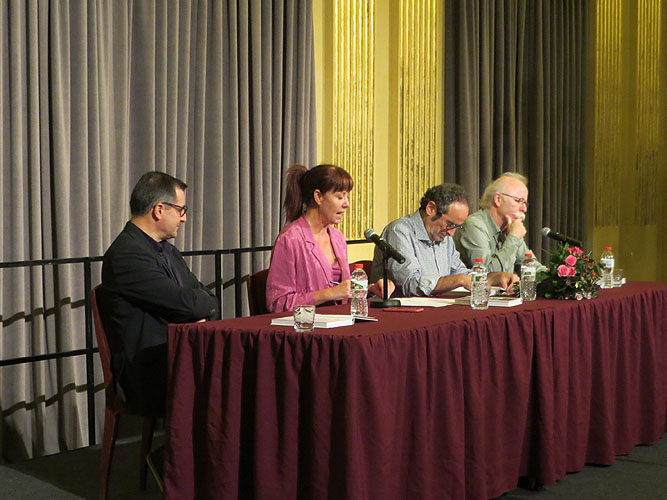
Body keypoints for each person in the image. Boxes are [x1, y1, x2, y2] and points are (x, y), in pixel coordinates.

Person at [102, 171, 219, 415]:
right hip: (149, 368)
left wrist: (199, 307)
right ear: (159, 210)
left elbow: (204, 297)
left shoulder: (167, 251)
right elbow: (187, 304)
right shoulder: (127, 255)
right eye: (181, 210)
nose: (184, 219)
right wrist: (198, 309)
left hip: (177, 356)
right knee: (230, 380)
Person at [266, 164, 393, 313]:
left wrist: (370, 290)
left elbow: (343, 294)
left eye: (347, 196)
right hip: (307, 325)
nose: (346, 204)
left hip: (340, 321)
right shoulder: (290, 239)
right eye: (340, 197)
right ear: (318, 197)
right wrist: (329, 294)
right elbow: (277, 303)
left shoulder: (338, 238)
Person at [370, 183, 518, 296]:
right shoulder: (399, 231)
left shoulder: (443, 235)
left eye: (457, 227)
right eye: (450, 224)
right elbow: (410, 284)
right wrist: (459, 280)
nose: (452, 233)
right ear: (431, 208)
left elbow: (461, 273)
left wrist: (494, 278)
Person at [453, 172, 544, 273]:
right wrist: (513, 237)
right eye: (518, 201)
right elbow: (487, 273)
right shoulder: (474, 225)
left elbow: (531, 266)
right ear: (498, 199)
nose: (524, 209)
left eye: (525, 203)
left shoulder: (510, 227)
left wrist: (553, 275)